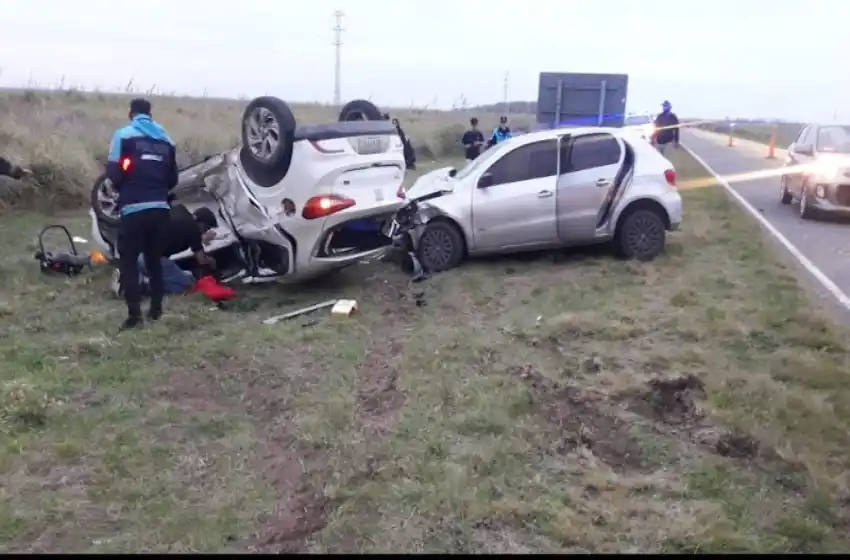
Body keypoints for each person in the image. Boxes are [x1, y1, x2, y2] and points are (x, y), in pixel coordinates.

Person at [106, 98, 178, 330]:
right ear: (150, 114)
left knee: (128, 262)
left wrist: (125, 186)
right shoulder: (167, 139)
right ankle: (156, 310)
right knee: (154, 261)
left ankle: (134, 316)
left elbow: (113, 174)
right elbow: (173, 179)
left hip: (134, 208)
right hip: (160, 209)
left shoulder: (123, 135)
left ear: (131, 113)